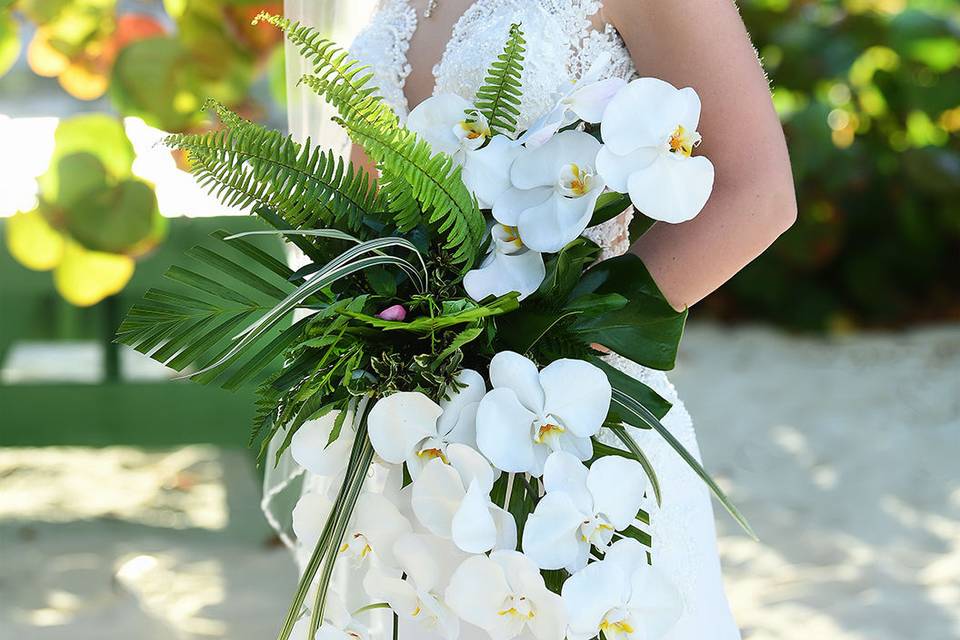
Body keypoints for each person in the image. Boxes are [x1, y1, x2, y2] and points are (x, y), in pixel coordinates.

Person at [277, 1, 797, 638]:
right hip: (414, 437)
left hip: (569, 434)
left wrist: (566, 341)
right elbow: (369, 205)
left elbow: (757, 191)